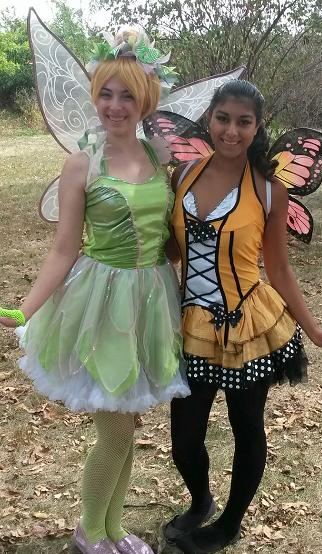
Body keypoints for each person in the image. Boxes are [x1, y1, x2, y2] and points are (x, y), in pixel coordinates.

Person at [0, 28, 189, 554]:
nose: (115, 105)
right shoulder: (82, 162)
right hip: (102, 305)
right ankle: (90, 530)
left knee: (127, 422)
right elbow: (64, 248)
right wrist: (24, 310)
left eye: (127, 94)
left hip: (154, 299)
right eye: (106, 92)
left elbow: (172, 235)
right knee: (115, 431)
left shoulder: (159, 155)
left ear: (146, 97)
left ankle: (111, 528)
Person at [165, 79, 322, 554]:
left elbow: (279, 269)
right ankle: (201, 501)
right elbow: (171, 248)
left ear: (256, 128)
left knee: (246, 426)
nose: (231, 131)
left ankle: (229, 523)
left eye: (243, 121)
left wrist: (313, 329)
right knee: (184, 438)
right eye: (223, 119)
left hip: (248, 325)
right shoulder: (182, 176)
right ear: (209, 119)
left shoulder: (270, 190)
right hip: (190, 324)